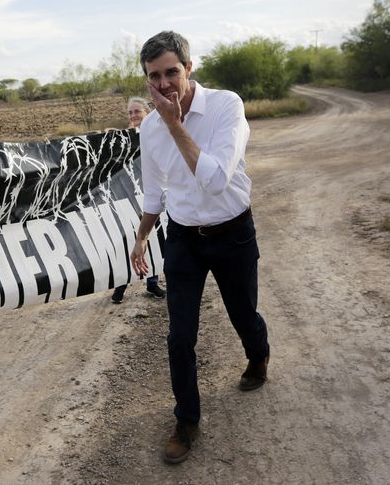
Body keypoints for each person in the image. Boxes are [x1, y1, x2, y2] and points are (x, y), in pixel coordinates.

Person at [129, 31, 270, 464]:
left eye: (172, 72)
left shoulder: (227, 106)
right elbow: (154, 192)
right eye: (155, 77)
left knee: (242, 312)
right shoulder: (150, 129)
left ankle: (258, 355)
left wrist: (175, 125)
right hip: (185, 239)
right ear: (147, 81)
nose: (165, 84)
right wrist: (142, 235)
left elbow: (213, 180)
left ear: (189, 68)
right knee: (179, 335)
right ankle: (186, 421)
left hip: (233, 232)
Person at [111, 96, 166, 303]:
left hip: (152, 195)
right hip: (128, 198)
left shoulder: (158, 134)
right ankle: (120, 286)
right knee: (127, 240)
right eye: (130, 112)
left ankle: (152, 284)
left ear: (148, 113)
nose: (134, 115)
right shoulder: (122, 140)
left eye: (137, 111)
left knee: (153, 240)